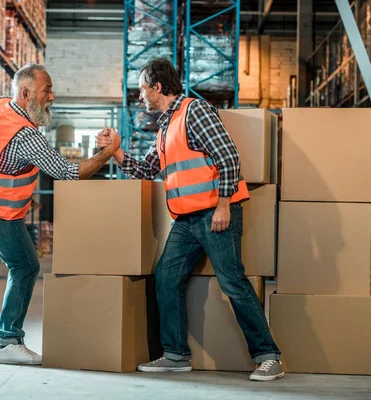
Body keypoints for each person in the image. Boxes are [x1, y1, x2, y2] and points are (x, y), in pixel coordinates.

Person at [96, 58, 284, 382]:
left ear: (157, 87)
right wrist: (115, 152)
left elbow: (228, 156)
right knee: (166, 278)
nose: (139, 96)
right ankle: (175, 355)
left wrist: (224, 206)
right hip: (185, 220)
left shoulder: (194, 112)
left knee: (232, 282)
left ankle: (269, 356)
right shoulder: (165, 126)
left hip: (215, 213)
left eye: (142, 89)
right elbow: (147, 170)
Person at [0, 64, 120, 365]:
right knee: (25, 266)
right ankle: (8, 340)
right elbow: (69, 173)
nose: (52, 96)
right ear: (26, 94)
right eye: (46, 90)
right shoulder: (27, 138)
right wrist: (107, 153)